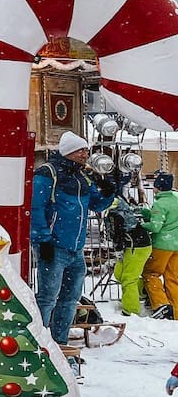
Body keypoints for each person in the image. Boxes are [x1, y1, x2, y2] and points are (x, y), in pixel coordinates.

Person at [31, 131, 117, 364]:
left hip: (75, 248)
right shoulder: (48, 173)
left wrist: (109, 191)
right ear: (68, 151)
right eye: (82, 150)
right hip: (54, 246)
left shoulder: (82, 178)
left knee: (70, 298)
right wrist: (42, 238)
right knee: (48, 296)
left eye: (86, 150)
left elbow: (96, 204)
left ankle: (59, 344)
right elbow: (36, 208)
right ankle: (36, 344)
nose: (86, 154)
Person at [108, 189, 153, 316]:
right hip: (131, 245)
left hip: (138, 246)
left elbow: (119, 234)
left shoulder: (117, 215)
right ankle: (144, 290)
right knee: (119, 274)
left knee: (129, 278)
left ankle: (130, 310)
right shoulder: (120, 209)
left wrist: (118, 249)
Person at [142, 172, 178, 319]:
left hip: (162, 245)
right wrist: (147, 213)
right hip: (176, 245)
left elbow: (156, 226)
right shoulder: (175, 200)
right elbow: (168, 218)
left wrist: (142, 225)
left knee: (151, 274)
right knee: (173, 277)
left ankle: (161, 305)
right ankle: (176, 310)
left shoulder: (160, 203)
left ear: (158, 187)